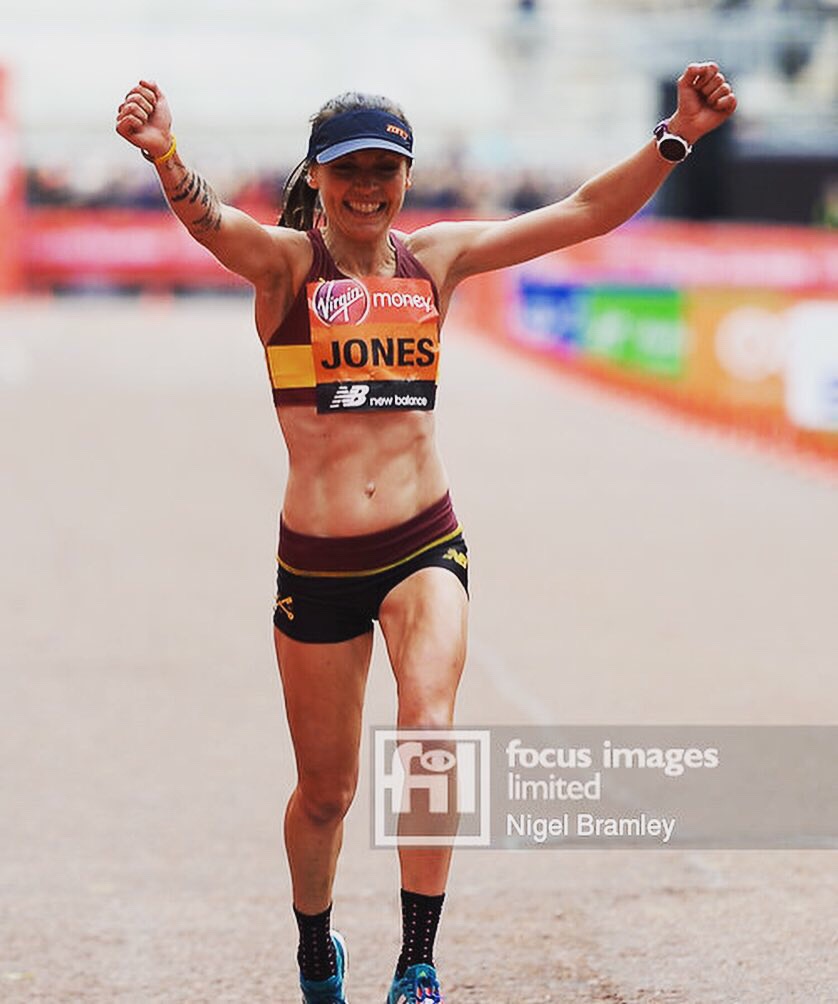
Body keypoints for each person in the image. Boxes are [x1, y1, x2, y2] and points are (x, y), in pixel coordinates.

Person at [115, 64, 737, 1004]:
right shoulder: (285, 267)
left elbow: (583, 213)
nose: (368, 188)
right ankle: (316, 947)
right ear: (318, 177)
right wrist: (166, 154)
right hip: (319, 565)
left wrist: (676, 134)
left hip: (422, 544)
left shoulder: (434, 261)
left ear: (407, 177)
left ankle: (418, 964)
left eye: (386, 170)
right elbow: (211, 224)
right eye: (349, 170)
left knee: (432, 736)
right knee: (325, 794)